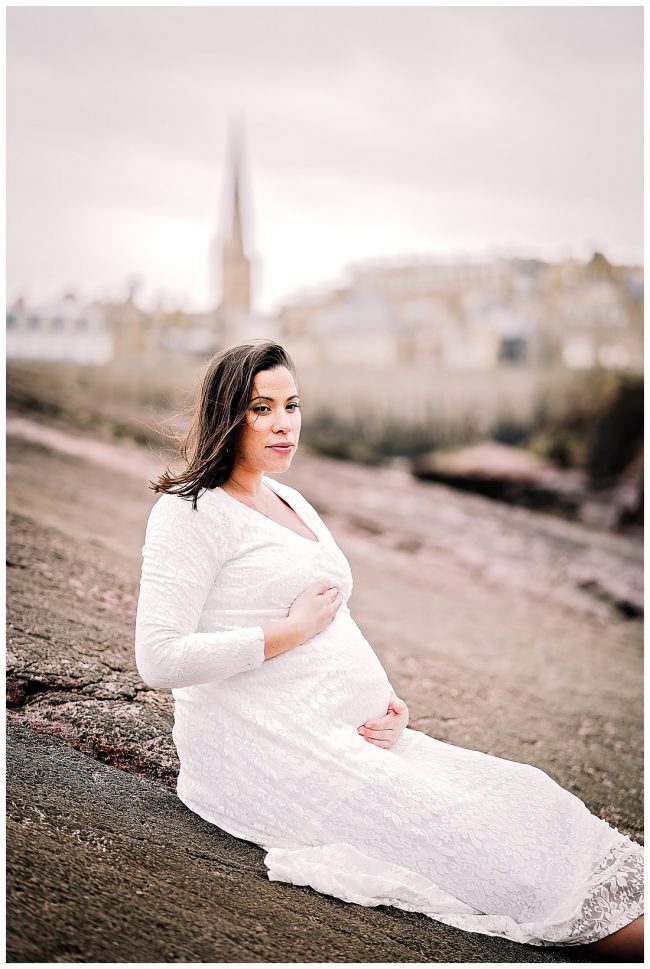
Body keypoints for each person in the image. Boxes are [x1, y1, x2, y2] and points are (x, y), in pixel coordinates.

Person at [135, 341, 643, 960]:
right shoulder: (191, 511)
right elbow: (159, 658)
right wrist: (288, 633)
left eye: (291, 405)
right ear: (225, 415)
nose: (284, 423)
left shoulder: (288, 499)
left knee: (524, 794)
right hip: (267, 749)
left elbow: (333, 616)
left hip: (348, 730)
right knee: (475, 839)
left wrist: (381, 697)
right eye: (261, 408)